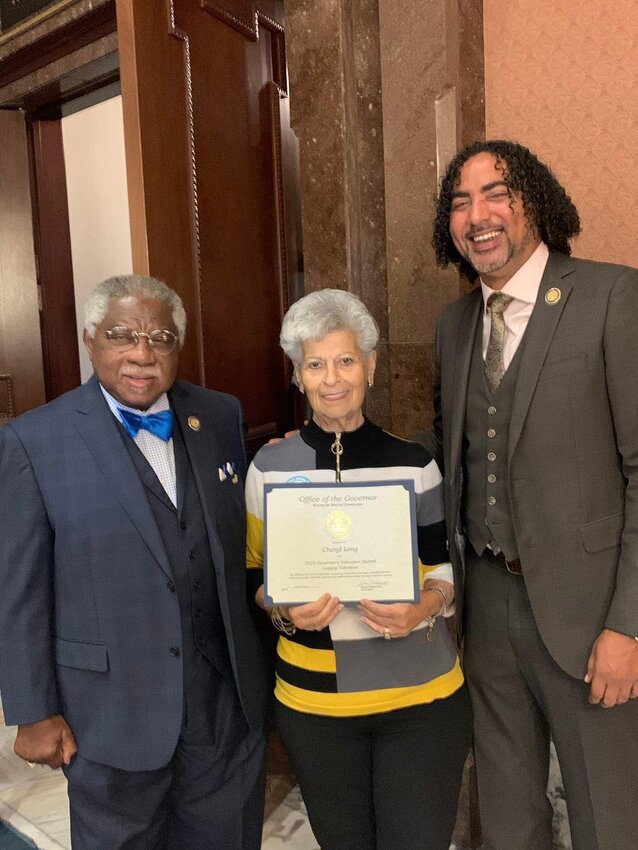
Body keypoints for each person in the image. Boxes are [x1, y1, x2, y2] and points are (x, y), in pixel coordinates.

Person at [0, 274, 270, 850]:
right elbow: (19, 588)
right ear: (90, 339)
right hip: (108, 713)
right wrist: (31, 709)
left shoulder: (220, 416)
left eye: (160, 337)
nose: (142, 354)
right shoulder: (34, 440)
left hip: (223, 703)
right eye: (123, 335)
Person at [431, 139, 638, 850]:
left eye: (497, 193)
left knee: (607, 813)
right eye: (461, 202)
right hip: (488, 609)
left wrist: (630, 626)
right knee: (508, 812)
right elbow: (451, 464)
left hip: (591, 617)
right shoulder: (455, 327)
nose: (477, 215)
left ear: (536, 203)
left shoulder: (612, 296)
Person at [245, 288, 472, 850]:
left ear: (371, 365)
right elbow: (255, 574)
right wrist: (283, 609)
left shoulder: (415, 463)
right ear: (298, 375)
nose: (332, 378)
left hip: (419, 699)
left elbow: (444, 567)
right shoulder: (269, 466)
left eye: (346, 360)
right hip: (314, 705)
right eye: (315, 364)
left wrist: (425, 604)